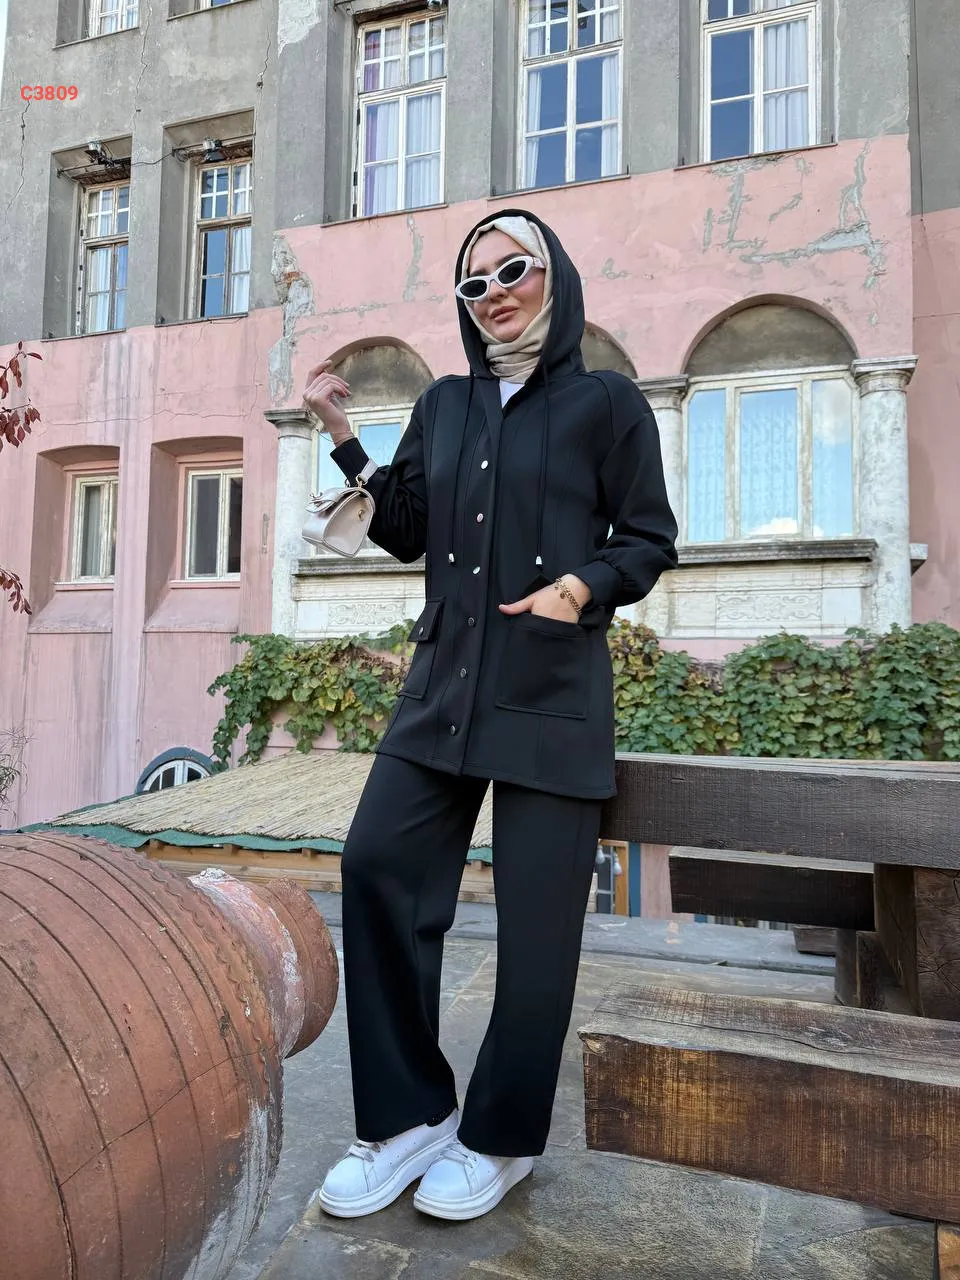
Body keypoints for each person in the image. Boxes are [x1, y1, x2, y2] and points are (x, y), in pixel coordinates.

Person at [302, 210, 678, 1223]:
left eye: (514, 270)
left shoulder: (607, 403)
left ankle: (501, 1138)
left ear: (554, 275)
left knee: (540, 921)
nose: (495, 292)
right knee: (377, 863)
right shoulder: (447, 403)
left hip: (551, 688)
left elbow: (648, 537)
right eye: (474, 283)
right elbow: (406, 527)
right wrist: (342, 437)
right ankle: (409, 1116)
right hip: (444, 685)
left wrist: (582, 587)